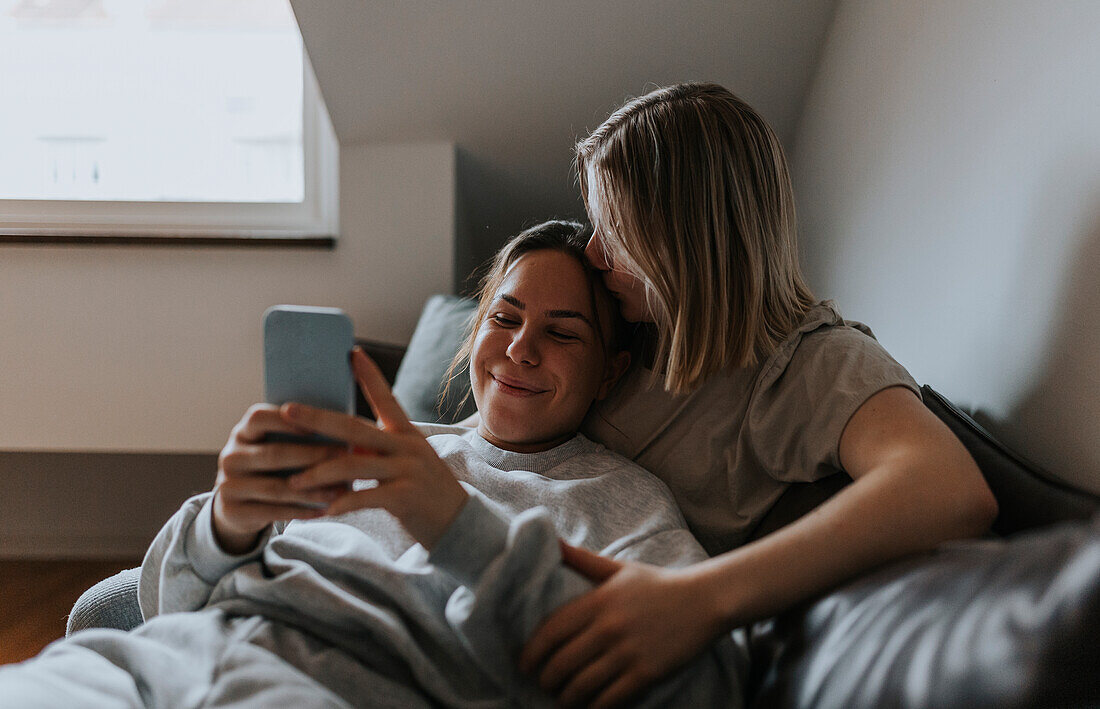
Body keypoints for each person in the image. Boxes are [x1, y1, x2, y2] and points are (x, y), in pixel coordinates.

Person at [0, 220, 745, 708]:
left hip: (332, 688)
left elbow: (698, 685)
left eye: (562, 332)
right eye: (506, 317)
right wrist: (221, 523)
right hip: (171, 654)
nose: (521, 348)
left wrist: (458, 528)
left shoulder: (624, 502)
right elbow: (162, 601)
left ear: (611, 371)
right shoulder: (366, 442)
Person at [503, 83, 1000, 707]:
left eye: (616, 228)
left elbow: (948, 490)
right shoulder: (629, 322)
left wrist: (703, 599)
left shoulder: (810, 363)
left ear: (683, 235)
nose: (595, 250)